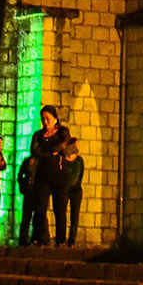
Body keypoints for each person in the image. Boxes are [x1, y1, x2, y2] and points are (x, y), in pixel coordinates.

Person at [29, 105, 72, 246]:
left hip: (59, 175)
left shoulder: (62, 132)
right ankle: (39, 238)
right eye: (43, 119)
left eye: (47, 119)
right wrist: (50, 152)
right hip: (43, 175)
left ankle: (61, 240)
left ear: (55, 119)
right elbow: (34, 151)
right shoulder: (38, 135)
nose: (45, 122)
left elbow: (62, 145)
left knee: (59, 208)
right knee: (40, 207)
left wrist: (47, 149)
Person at [60, 137, 84, 246]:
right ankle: (61, 239)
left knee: (75, 216)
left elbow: (76, 177)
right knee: (62, 214)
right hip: (64, 190)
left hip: (76, 191)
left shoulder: (79, 161)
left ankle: (71, 241)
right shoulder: (63, 159)